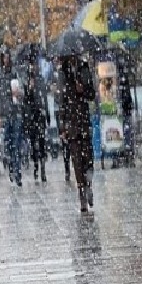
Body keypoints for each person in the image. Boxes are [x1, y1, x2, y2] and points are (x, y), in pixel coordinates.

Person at [59, 54, 95, 212]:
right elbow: (61, 101)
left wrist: (84, 90)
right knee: (76, 160)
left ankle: (88, 186)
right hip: (71, 122)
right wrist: (62, 127)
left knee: (88, 158)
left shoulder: (84, 68)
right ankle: (81, 194)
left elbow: (92, 95)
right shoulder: (63, 73)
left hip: (84, 121)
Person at [0, 47, 24, 186]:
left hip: (15, 112)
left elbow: (22, 91)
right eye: (3, 57)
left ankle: (17, 172)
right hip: (6, 114)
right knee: (8, 144)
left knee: (16, 144)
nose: (6, 60)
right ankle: (12, 166)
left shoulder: (15, 73)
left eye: (7, 57)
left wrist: (19, 94)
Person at [23, 56, 50, 182]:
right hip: (31, 116)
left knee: (42, 140)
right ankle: (36, 166)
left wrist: (47, 113)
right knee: (34, 142)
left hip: (40, 114)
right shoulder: (27, 80)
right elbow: (25, 101)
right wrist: (29, 89)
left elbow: (44, 97)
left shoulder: (41, 79)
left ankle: (43, 167)